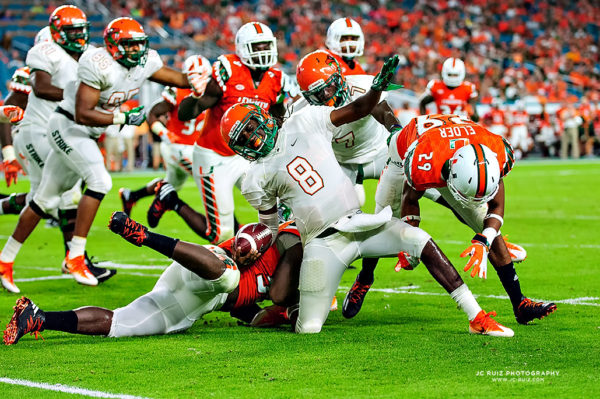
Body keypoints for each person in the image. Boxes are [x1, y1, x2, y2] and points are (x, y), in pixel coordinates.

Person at [221, 55, 514, 337]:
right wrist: (254, 243)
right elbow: (270, 227)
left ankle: (476, 316)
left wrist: (376, 89)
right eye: (245, 138)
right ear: (240, 148)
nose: (254, 137)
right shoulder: (254, 178)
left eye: (252, 127)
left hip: (359, 222)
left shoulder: (305, 120)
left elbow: (358, 109)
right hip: (322, 243)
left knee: (419, 240)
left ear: (264, 116)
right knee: (308, 327)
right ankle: (287, 311)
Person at [0, 17, 193, 288]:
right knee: (99, 181)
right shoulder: (89, 61)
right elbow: (81, 112)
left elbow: (177, 78)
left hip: (81, 129)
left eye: (140, 44)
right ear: (114, 46)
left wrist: (199, 76)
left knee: (44, 199)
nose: (137, 51)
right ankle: (76, 256)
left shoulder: (139, 62)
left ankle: (5, 260)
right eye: (130, 45)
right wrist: (122, 119)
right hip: (68, 126)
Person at [346, 114, 556, 325]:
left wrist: (485, 239)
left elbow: (496, 206)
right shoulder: (424, 159)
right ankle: (365, 277)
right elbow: (410, 198)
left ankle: (519, 303)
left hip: (453, 151)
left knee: (488, 227)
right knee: (382, 221)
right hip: (403, 154)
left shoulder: (494, 152)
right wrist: (409, 244)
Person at [3, 213, 303, 345]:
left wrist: (284, 313)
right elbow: (271, 291)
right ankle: (142, 235)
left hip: (196, 302)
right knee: (229, 275)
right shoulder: (275, 243)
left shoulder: (288, 265)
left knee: (119, 325)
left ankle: (38, 318)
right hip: (201, 269)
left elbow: (253, 310)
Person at [0, 6, 117, 292]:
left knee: (50, 199)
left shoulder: (84, 60)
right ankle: (74, 257)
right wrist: (8, 154)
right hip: (34, 133)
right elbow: (10, 108)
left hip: (56, 133)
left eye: (81, 31)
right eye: (71, 32)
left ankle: (65, 257)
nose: (78, 38)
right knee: (59, 197)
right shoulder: (37, 65)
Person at [178, 21, 298, 244]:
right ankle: (171, 201)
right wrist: (194, 96)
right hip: (215, 155)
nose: (264, 51)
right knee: (221, 233)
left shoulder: (276, 79)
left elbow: (281, 120)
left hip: (249, 158)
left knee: (284, 207)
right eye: (258, 46)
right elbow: (187, 113)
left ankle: (279, 255)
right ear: (243, 48)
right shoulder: (229, 70)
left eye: (266, 45)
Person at [295, 50, 398, 206]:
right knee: (339, 212)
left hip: (380, 152)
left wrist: (397, 130)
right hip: (342, 163)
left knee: (423, 184)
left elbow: (383, 112)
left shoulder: (361, 85)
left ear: (339, 77)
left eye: (328, 87)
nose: (326, 95)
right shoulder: (302, 111)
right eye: (317, 94)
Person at [119, 55, 207, 226]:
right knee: (209, 177)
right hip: (178, 147)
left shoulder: (211, 93)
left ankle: (132, 196)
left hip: (193, 147)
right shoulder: (178, 90)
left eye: (202, 75)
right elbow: (153, 114)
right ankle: (227, 224)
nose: (199, 80)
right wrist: (165, 134)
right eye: (195, 75)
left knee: (170, 185)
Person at [419, 57, 479, 121]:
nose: (452, 78)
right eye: (450, 74)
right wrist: (424, 121)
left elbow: (476, 118)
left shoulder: (468, 88)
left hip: (460, 126)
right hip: (441, 126)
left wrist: (471, 113)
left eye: (455, 75)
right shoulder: (435, 86)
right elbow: (422, 103)